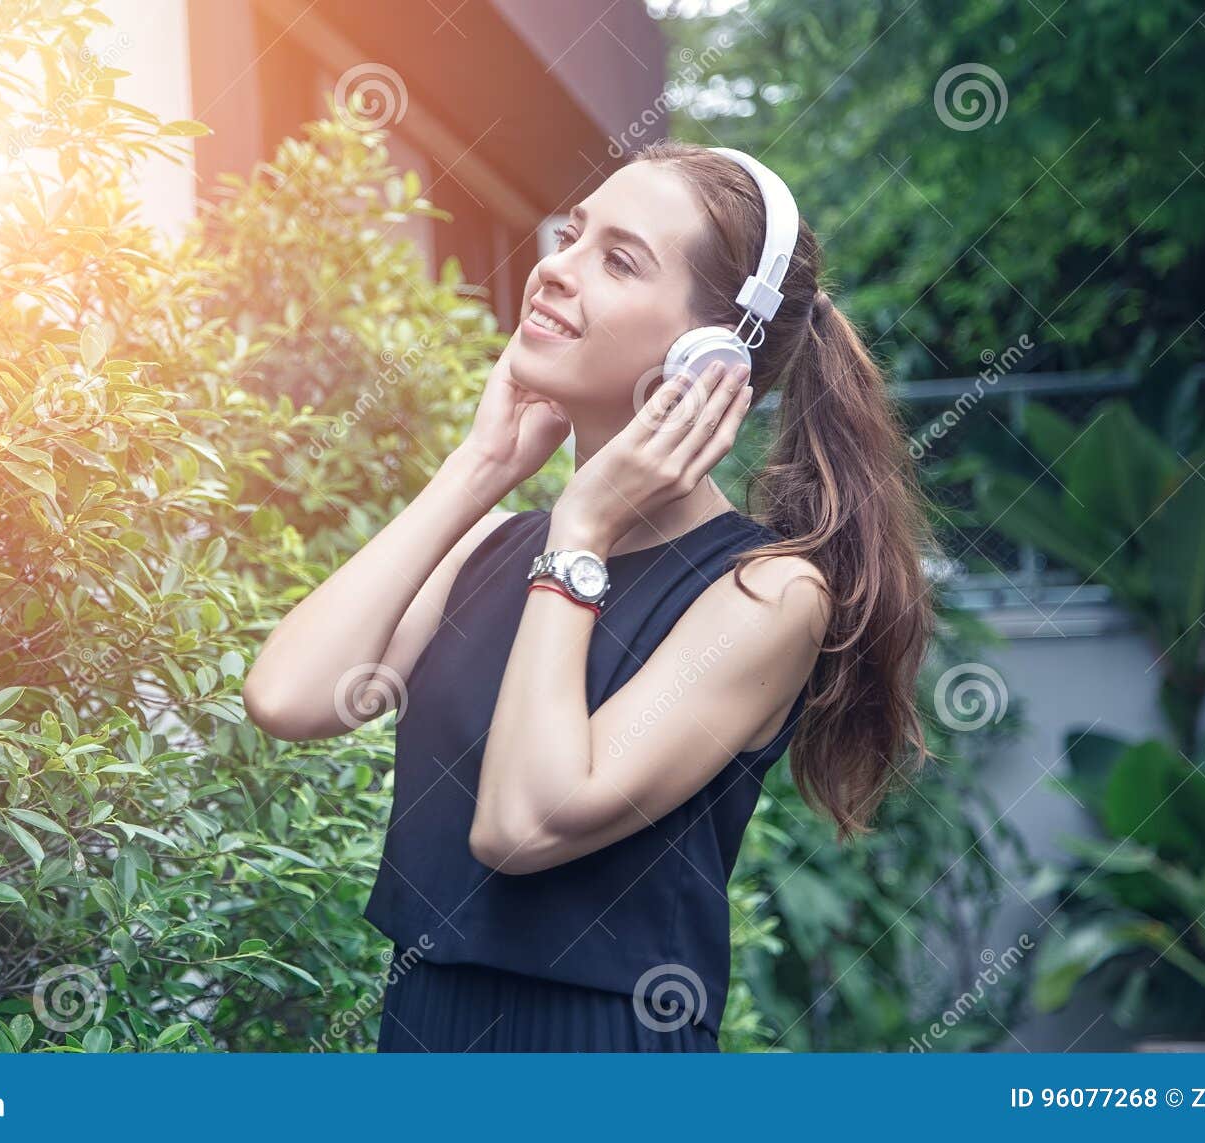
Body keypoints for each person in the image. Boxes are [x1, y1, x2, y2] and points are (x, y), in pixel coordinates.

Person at [242, 138, 935, 1052]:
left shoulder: (766, 595)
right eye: (569, 237)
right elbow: (288, 697)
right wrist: (477, 469)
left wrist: (581, 532)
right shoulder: (496, 545)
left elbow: (523, 824)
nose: (555, 272)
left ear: (709, 354)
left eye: (617, 260)